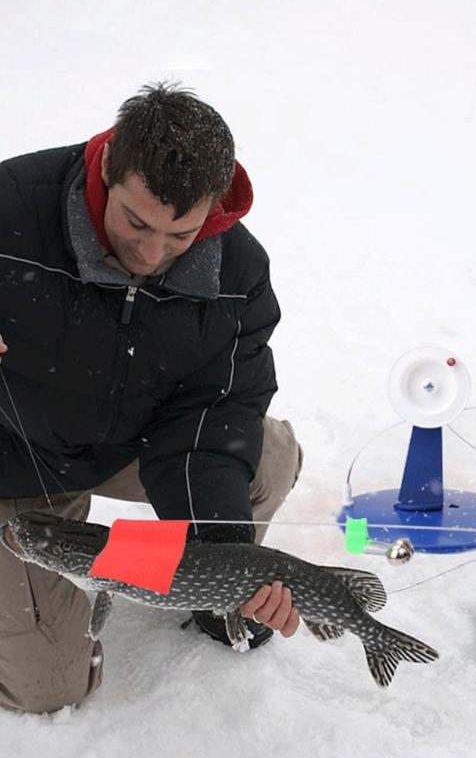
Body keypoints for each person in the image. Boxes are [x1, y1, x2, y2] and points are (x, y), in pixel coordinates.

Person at [0, 82, 304, 714]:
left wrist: (228, 567)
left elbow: (215, 416)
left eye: (180, 235)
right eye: (136, 222)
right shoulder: (9, 208)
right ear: (108, 167)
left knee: (266, 456)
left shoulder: (236, 273)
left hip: (132, 443)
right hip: (14, 462)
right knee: (51, 689)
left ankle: (208, 598)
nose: (150, 251)